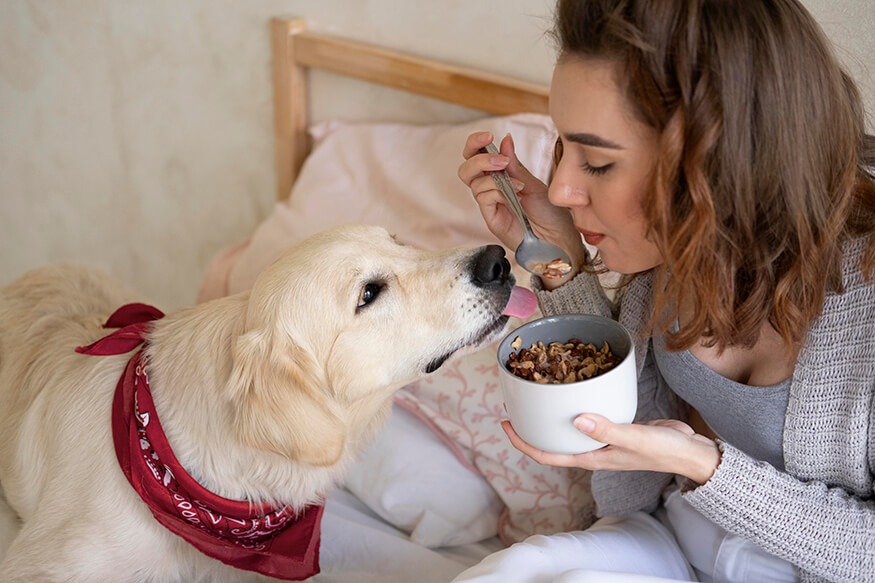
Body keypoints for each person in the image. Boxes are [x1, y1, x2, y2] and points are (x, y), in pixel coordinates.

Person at [452, 1, 875, 582]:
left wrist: (706, 467)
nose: (563, 187)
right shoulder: (677, 247)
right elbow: (628, 400)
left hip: (805, 563)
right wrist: (557, 255)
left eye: (597, 162)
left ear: (719, 165)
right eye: (564, 150)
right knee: (520, 572)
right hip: (678, 532)